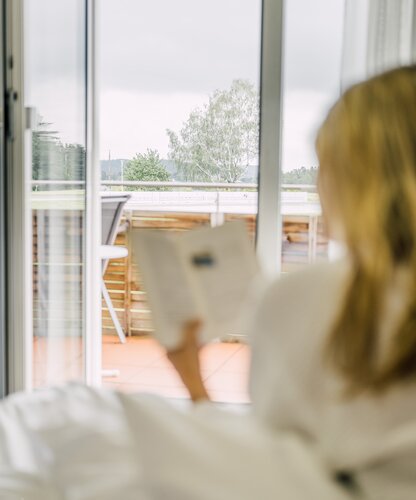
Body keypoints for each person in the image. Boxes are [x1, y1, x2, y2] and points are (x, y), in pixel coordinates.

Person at [2, 65, 416, 500]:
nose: (315, 185)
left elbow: (271, 474)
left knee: (52, 417)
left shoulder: (314, 301)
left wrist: (193, 383)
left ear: (356, 178)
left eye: (325, 166)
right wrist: (194, 383)